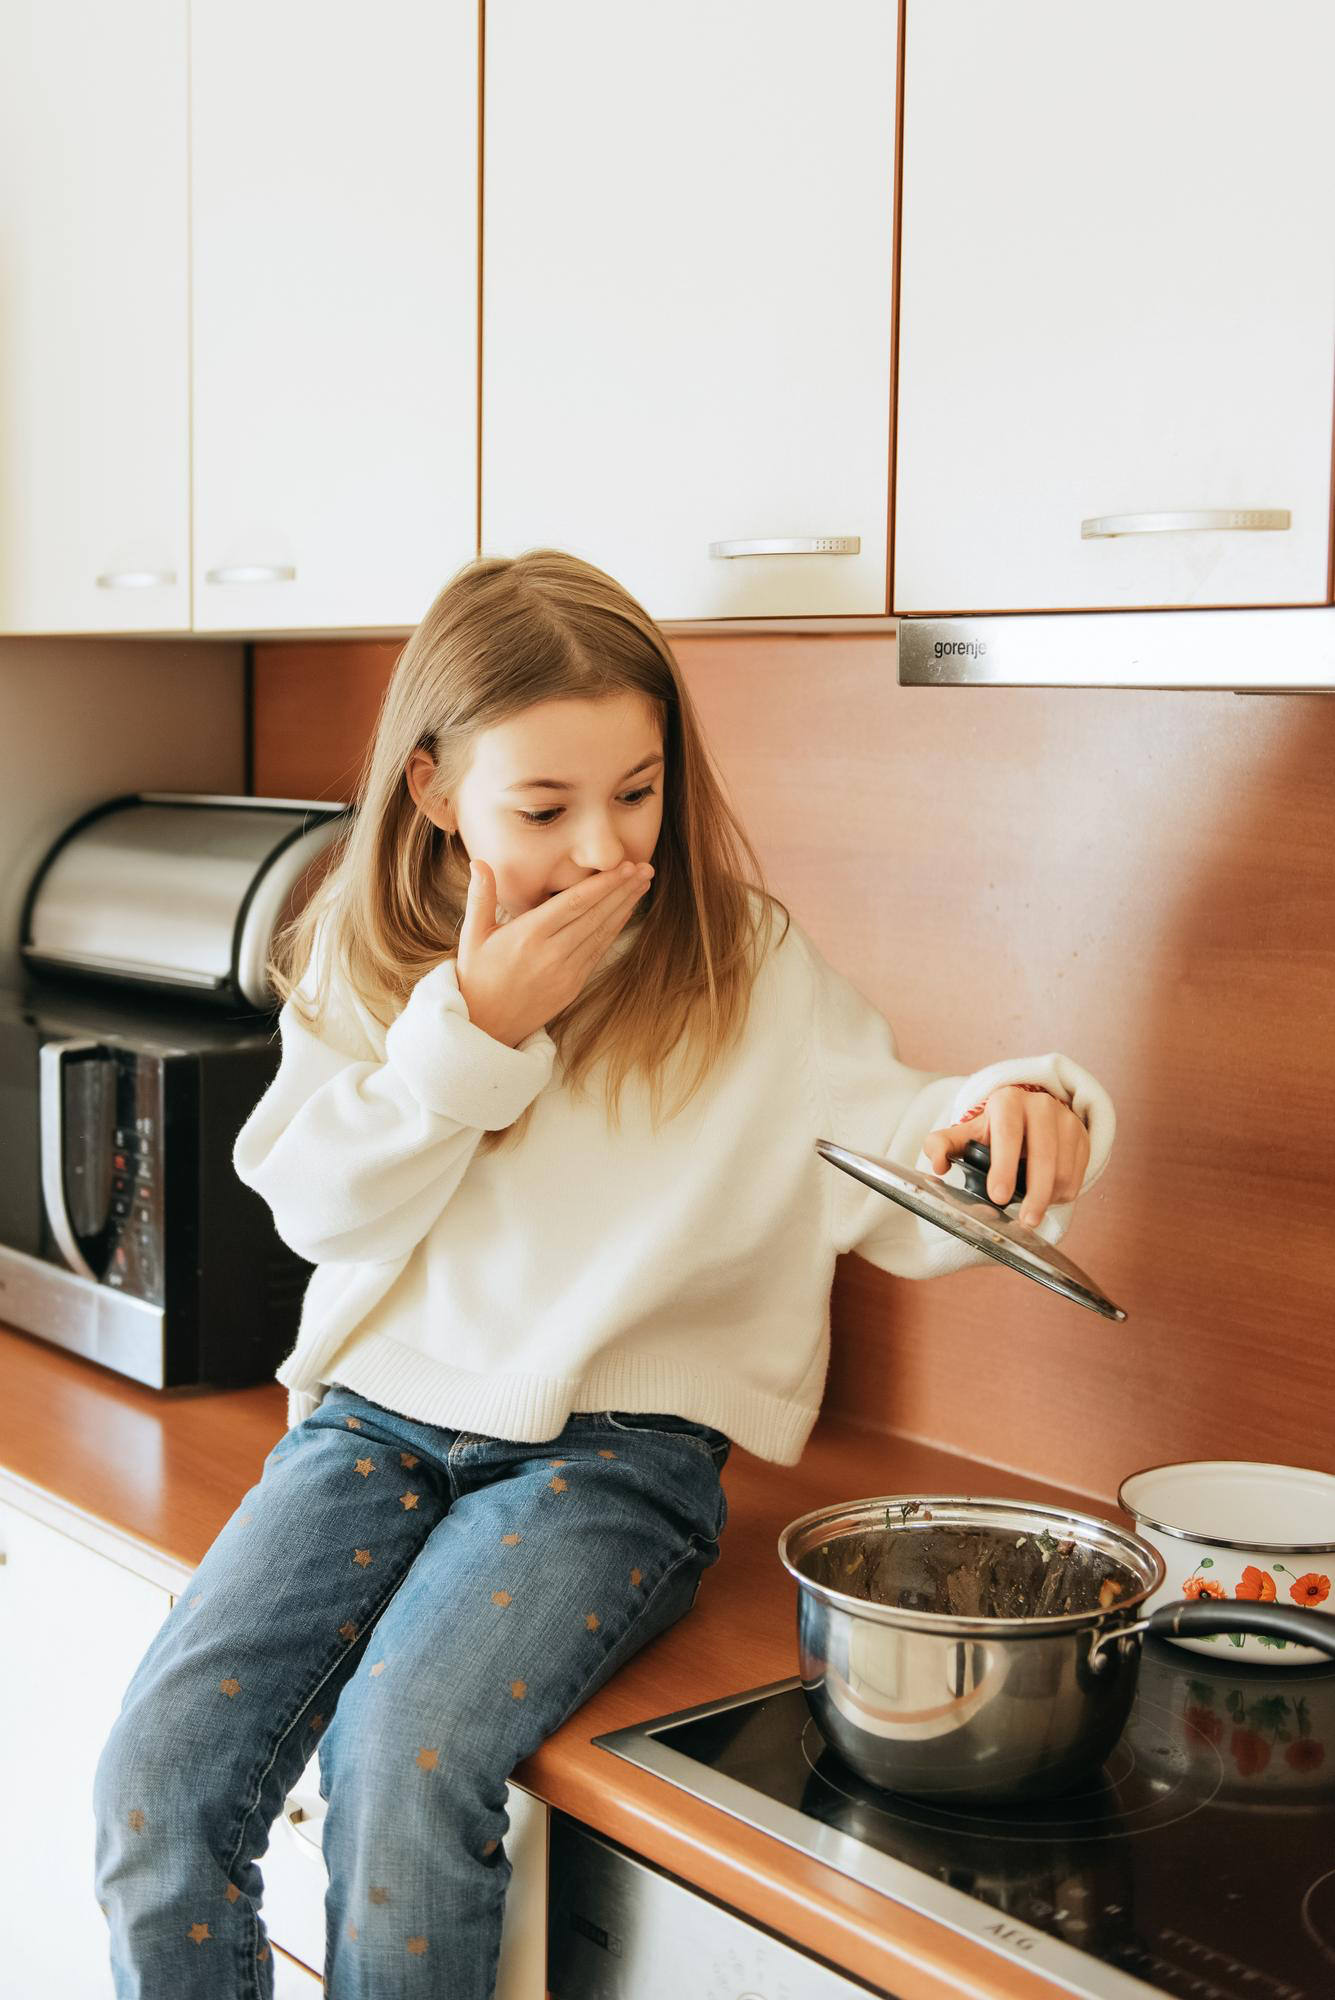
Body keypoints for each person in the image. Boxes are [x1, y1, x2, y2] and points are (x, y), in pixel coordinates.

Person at [93, 548, 1115, 1998]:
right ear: (435, 791)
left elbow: (899, 1152)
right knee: (155, 1781)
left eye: (636, 794)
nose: (600, 851)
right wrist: (473, 1027)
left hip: (616, 1461)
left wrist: (1019, 1112)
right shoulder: (366, 955)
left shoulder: (740, 961)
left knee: (407, 1757)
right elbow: (320, 1210)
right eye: (544, 808)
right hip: (371, 1424)